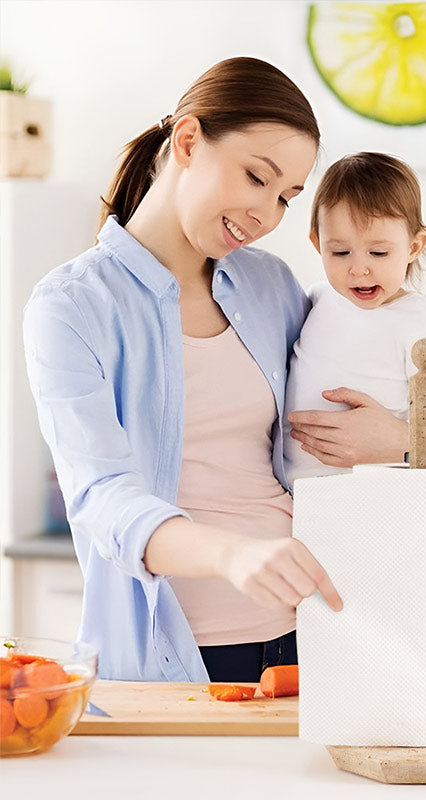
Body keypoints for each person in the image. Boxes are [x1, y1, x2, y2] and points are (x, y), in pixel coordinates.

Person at [22, 58, 405, 683]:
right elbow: (101, 497)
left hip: (310, 632)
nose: (266, 215)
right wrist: (234, 555)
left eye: (285, 197)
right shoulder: (72, 305)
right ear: (189, 141)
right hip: (176, 654)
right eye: (257, 177)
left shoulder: (271, 286)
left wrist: (403, 439)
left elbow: (346, 405)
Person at [285, 152, 426, 484]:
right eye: (339, 252)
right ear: (317, 244)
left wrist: (397, 447)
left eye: (378, 253)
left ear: (414, 247)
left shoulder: (419, 324)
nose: (358, 269)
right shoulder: (316, 300)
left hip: (374, 497)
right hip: (294, 493)